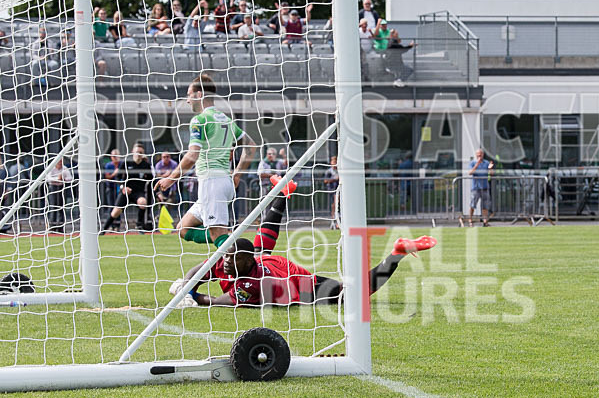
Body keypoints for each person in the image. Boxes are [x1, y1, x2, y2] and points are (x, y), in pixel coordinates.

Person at [173, 196, 437, 306]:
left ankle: (397, 253)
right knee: (260, 246)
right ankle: (283, 193)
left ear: (243, 260)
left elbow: (218, 302)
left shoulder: (250, 285)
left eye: (231, 257)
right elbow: (197, 271)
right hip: (268, 264)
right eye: (226, 256)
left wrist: (193, 297)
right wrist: (187, 284)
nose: (226, 262)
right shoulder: (228, 261)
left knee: (352, 297)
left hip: (298, 283)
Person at [157, 74, 256, 248]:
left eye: (189, 94)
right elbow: (251, 146)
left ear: (199, 94)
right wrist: (237, 174)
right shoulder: (227, 120)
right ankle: (227, 240)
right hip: (222, 183)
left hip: (212, 183)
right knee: (183, 229)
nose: (187, 100)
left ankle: (237, 255)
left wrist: (171, 178)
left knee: (218, 236)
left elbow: (192, 155)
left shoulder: (200, 120)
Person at [101, 143, 155, 233]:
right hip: (125, 192)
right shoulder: (126, 163)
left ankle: (139, 225)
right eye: (137, 152)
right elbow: (118, 177)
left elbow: (151, 180)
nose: (139, 154)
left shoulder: (146, 165)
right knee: (115, 212)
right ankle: (103, 229)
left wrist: (155, 192)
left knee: (143, 202)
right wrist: (123, 187)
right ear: (132, 152)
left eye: (141, 152)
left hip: (138, 192)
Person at [467, 149, 494, 227]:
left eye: (481, 154)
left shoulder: (486, 163)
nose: (479, 156)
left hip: (485, 187)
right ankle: (470, 220)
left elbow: (491, 174)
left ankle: (485, 221)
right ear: (476, 155)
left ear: (483, 154)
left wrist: (490, 168)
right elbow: (470, 173)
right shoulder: (473, 163)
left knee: (485, 205)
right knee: (473, 205)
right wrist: (477, 164)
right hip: (476, 188)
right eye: (478, 155)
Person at [45, 158, 73, 233]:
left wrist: (63, 179)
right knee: (53, 207)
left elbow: (70, 178)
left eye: (61, 162)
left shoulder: (64, 168)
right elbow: (48, 178)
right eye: (58, 162)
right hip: (53, 188)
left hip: (62, 188)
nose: (60, 163)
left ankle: (60, 227)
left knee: (61, 208)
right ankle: (52, 227)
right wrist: (58, 179)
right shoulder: (51, 168)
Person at [103, 149, 122, 218]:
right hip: (111, 188)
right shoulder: (108, 165)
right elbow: (107, 176)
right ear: (111, 157)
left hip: (120, 188)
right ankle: (111, 222)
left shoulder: (122, 164)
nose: (116, 158)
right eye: (114, 156)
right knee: (111, 206)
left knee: (119, 206)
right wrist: (114, 174)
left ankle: (118, 222)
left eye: (117, 156)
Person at [323, 156, 339, 229]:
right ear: (331, 162)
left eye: (336, 162)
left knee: (337, 205)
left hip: (338, 189)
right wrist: (334, 179)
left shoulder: (339, 170)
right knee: (334, 205)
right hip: (332, 189)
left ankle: (337, 222)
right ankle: (334, 221)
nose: (334, 163)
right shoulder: (328, 171)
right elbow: (325, 180)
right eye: (333, 162)